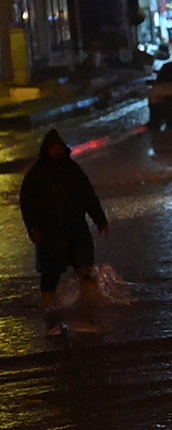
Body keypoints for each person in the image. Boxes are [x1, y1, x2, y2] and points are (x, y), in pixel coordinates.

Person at [19, 129, 109, 336]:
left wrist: (100, 220)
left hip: (76, 230)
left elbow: (89, 196)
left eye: (59, 148)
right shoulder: (36, 175)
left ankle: (90, 309)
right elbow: (28, 204)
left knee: (85, 269)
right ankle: (49, 313)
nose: (56, 151)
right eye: (53, 148)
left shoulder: (72, 170)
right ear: (46, 150)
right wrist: (33, 228)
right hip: (49, 234)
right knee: (50, 274)